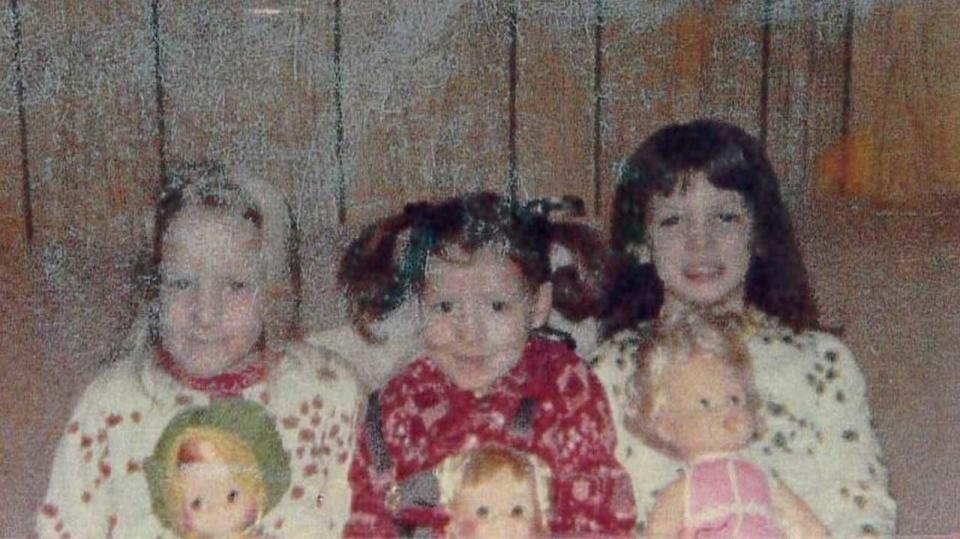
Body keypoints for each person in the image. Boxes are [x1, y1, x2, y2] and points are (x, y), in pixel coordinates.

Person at [591, 119, 896, 536]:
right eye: (673, 221)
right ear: (640, 244)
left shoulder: (820, 361)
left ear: (759, 236)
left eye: (726, 217)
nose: (702, 242)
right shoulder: (610, 370)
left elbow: (861, 508)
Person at [37, 161, 362, 537]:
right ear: (154, 288)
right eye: (181, 283)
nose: (205, 314)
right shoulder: (111, 403)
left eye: (236, 285)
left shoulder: (327, 390)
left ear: (272, 290)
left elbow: (359, 520)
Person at [341, 192, 635, 537]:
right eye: (445, 307)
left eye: (496, 306)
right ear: (420, 306)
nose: (470, 334)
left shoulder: (564, 387)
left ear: (538, 305)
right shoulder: (400, 403)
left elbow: (598, 509)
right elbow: (371, 515)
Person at [623, 314, 826, 537]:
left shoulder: (763, 479)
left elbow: (807, 525)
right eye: (705, 404)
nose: (727, 411)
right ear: (665, 426)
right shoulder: (682, 492)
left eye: (734, 400)